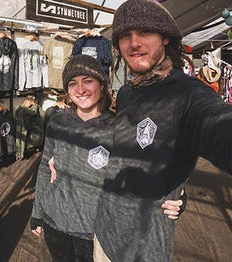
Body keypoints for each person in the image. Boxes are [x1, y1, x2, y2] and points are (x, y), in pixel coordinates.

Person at [93, 0, 232, 262]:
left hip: (143, 247)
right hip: (103, 233)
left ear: (165, 37)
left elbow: (230, 130)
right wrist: (176, 186)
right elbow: (125, 149)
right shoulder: (128, 92)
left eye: (144, 32)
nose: (133, 43)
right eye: (125, 36)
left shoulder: (188, 95)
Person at [30, 54, 185, 262]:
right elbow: (45, 168)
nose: (81, 90)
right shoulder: (57, 122)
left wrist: (177, 197)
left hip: (97, 234)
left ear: (102, 85)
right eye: (73, 83)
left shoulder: (119, 128)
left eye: (88, 81)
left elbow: (146, 172)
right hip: (55, 224)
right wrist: (37, 212)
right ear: (67, 90)